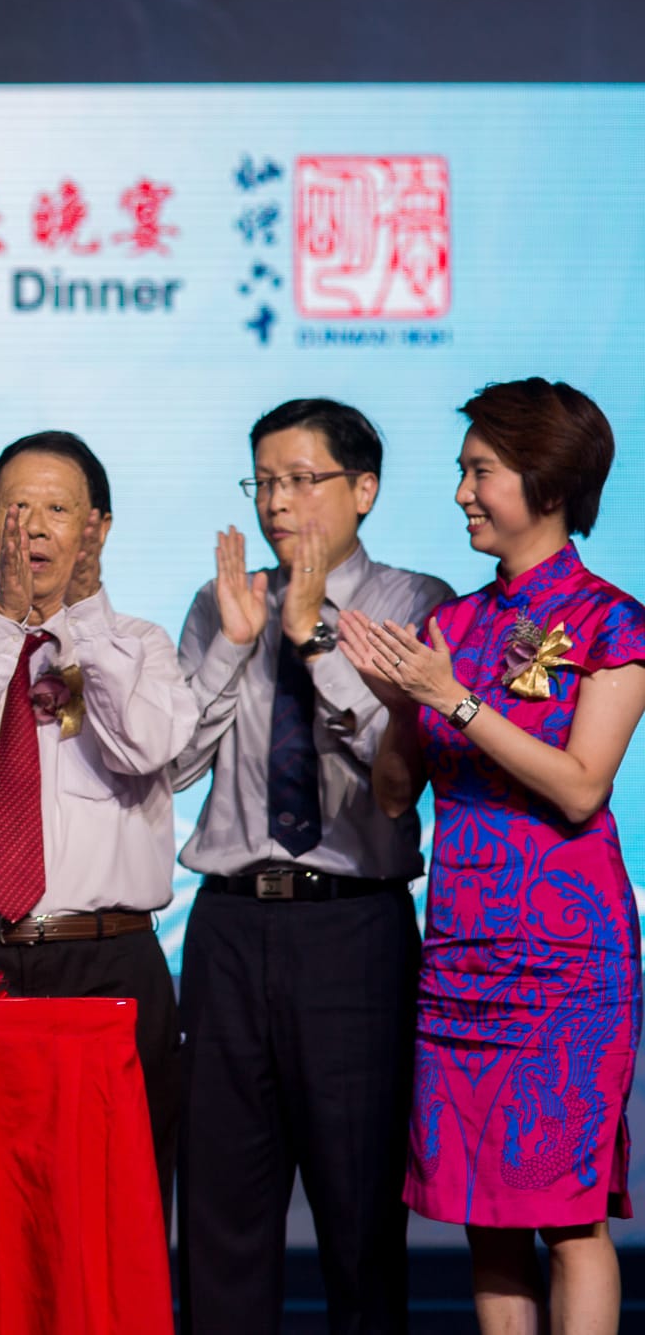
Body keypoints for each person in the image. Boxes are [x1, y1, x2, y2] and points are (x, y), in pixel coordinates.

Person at [341, 378, 644, 1335]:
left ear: (547, 480)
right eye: (464, 472)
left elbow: (582, 785)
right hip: (464, 955)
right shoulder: (457, 629)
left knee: (569, 1211)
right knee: (486, 1214)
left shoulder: (612, 621)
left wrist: (456, 699)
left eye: (482, 471)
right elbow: (395, 796)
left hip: (567, 962)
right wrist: (401, 703)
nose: (464, 492)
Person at [172, 398, 454, 1334]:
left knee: (359, 1217)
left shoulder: (420, 603)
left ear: (363, 489)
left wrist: (315, 638)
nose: (278, 504)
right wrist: (239, 641)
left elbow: (402, 771)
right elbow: (172, 765)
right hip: (226, 925)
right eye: (264, 482)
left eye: (303, 480)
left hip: (353, 925)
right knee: (219, 1218)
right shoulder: (222, 601)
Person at [0, 431, 194, 1206]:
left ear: (96, 528)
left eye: (57, 510)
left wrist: (85, 627)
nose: (31, 530)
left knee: (112, 1206)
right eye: (14, 509)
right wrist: (9, 620)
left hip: (104, 963)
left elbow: (145, 747)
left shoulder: (139, 643)